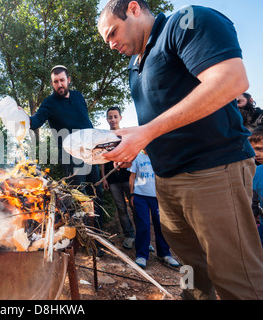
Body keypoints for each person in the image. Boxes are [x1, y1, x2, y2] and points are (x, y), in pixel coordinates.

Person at [98, 0, 263, 300]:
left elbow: (231, 79)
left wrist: (145, 132)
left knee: (236, 279)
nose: (110, 44)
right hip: (167, 183)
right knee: (191, 272)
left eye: (112, 33)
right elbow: (161, 123)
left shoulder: (184, 23)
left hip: (213, 171)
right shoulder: (135, 65)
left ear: (133, 8)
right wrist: (137, 145)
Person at [29, 65, 104, 244]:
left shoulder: (78, 96)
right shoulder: (49, 103)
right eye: (55, 82)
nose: (59, 84)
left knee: (97, 194)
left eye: (62, 80)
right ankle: (86, 241)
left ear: (68, 80)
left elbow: (85, 120)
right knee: (79, 198)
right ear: (52, 84)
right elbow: (34, 122)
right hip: (71, 158)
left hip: (91, 153)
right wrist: (21, 116)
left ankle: (100, 238)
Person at [129, 149, 178, 268]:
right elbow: (132, 176)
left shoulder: (159, 155)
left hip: (158, 196)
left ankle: (164, 254)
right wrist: (131, 194)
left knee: (160, 225)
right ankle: (141, 255)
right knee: (143, 225)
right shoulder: (137, 157)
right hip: (140, 196)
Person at [101, 107, 136, 249]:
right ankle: (129, 235)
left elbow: (134, 155)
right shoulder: (104, 137)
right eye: (110, 117)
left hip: (127, 177)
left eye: (115, 116)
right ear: (107, 119)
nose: (113, 119)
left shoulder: (126, 135)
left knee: (135, 207)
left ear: (120, 117)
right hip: (112, 180)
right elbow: (102, 159)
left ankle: (142, 236)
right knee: (121, 209)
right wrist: (104, 178)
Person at [249, 126, 263, 247]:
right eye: (252, 149)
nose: (256, 154)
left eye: (260, 149)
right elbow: (255, 196)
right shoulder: (257, 171)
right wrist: (254, 214)